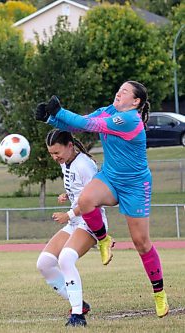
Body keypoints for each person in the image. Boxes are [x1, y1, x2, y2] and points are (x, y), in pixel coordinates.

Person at [35, 81, 169, 318]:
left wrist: (60, 112)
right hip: (110, 177)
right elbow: (79, 125)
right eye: (119, 89)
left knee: (141, 243)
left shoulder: (129, 120)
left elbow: (89, 124)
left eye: (125, 91)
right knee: (86, 200)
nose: (119, 92)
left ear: (135, 102)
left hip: (135, 185)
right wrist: (51, 119)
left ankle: (159, 293)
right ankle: (103, 240)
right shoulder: (110, 110)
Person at [37, 129, 108, 327]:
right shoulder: (66, 162)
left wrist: (68, 214)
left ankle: (77, 316)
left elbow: (94, 197)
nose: (54, 157)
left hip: (91, 221)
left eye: (57, 152)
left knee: (66, 259)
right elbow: (80, 189)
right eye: (51, 153)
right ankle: (80, 304)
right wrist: (67, 194)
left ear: (70, 146)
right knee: (44, 263)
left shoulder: (85, 165)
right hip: (76, 222)